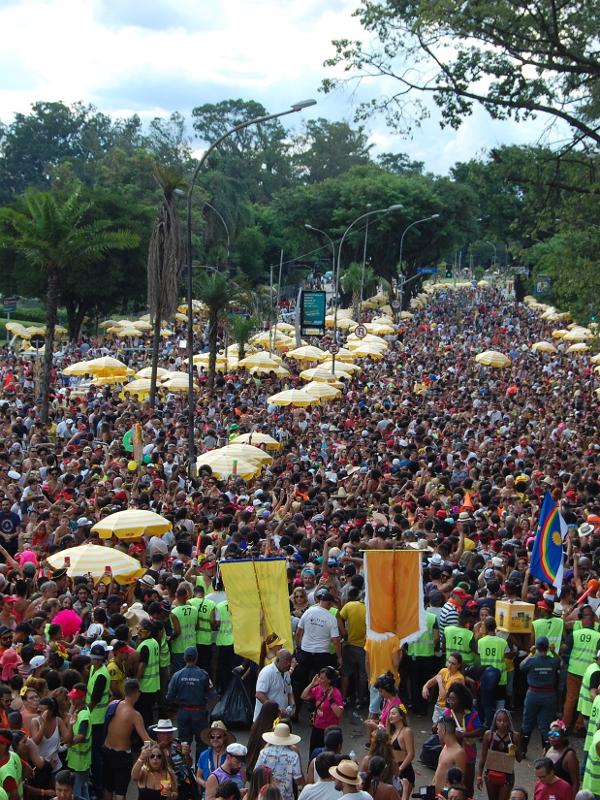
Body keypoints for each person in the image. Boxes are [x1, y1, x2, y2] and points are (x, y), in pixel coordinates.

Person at [293, 590, 342, 712]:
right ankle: (314, 710)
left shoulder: (308, 612)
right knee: (320, 683)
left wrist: (298, 647)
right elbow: (336, 640)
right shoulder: (331, 618)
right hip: (322, 654)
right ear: (330, 603)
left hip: (305, 652)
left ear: (319, 601)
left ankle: (295, 709)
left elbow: (298, 633)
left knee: (299, 682)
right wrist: (339, 656)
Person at [102, 679, 151, 800]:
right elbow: (146, 740)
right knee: (120, 791)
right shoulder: (135, 715)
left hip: (106, 750)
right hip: (121, 755)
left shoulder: (113, 704)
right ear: (137, 693)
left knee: (107, 788)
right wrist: (159, 745)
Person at [166, 646, 212, 751]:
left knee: (184, 745)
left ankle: (184, 766)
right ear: (196, 658)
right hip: (199, 714)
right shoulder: (203, 675)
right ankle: (199, 767)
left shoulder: (177, 675)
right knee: (202, 744)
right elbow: (212, 695)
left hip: (183, 714)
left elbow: (169, 697)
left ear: (184, 658)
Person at [520, 636, 561, 755]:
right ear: (548, 647)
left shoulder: (532, 661)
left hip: (533, 694)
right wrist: (553, 652)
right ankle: (547, 751)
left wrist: (530, 653)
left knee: (527, 722)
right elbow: (561, 662)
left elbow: (521, 666)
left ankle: (522, 750)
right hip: (549, 695)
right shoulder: (553, 661)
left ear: (536, 647)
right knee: (546, 725)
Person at [563, 606, 600, 733]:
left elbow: (564, 648)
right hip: (589, 673)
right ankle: (579, 726)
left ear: (582, 620)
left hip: (573, 671)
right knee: (584, 700)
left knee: (571, 698)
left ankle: (565, 725)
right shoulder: (598, 636)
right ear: (593, 620)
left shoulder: (575, 633)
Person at [444, 682, 483, 796]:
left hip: (468, 753)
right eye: (449, 699)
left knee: (467, 783)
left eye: (454, 699)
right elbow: (440, 728)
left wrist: (465, 734)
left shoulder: (471, 713)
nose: (450, 702)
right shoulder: (447, 713)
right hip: (450, 753)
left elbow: (480, 730)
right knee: (450, 783)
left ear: (461, 699)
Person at [85, 641, 112, 800]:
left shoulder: (101, 674)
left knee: (96, 755)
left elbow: (94, 699)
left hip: (97, 719)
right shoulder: (94, 670)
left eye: (96, 659)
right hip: (93, 717)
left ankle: (99, 788)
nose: (93, 661)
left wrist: (84, 712)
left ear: (101, 660)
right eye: (92, 658)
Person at [477, 710, 521, 800]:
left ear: (509, 722)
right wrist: (479, 775)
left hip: (507, 775)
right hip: (491, 773)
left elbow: (519, 759)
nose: (502, 723)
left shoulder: (514, 736)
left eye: (505, 721)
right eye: (499, 720)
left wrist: (515, 749)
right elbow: (483, 757)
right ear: (495, 721)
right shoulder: (489, 735)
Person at [301, 667, 344, 755]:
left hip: (329, 730)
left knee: (327, 755)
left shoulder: (336, 693)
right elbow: (303, 696)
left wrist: (331, 700)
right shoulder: (318, 689)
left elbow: (339, 713)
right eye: (319, 677)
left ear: (329, 680)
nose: (320, 680)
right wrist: (312, 684)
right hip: (317, 727)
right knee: (313, 753)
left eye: (322, 678)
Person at [255, 724, 304, 800]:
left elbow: (256, 772)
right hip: (286, 796)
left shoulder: (264, 752)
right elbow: (298, 780)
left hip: (266, 795)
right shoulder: (293, 756)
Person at [406, 607, 439, 716]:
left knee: (414, 683)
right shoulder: (432, 618)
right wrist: (431, 647)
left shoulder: (409, 617)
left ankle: (416, 708)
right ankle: (424, 708)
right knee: (426, 683)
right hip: (428, 656)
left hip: (413, 655)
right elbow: (436, 637)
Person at [337, 588, 367, 708]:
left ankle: (343, 698)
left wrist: (344, 632)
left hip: (348, 645)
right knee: (362, 675)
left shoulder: (349, 606)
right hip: (364, 648)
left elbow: (338, 617)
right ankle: (360, 699)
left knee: (346, 674)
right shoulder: (371, 609)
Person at [64, 684, 91, 800]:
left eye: (75, 697)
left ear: (83, 698)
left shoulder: (83, 715)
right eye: (71, 697)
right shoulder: (78, 710)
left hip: (80, 762)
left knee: (77, 791)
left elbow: (79, 737)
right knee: (83, 787)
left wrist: (70, 727)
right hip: (78, 761)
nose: (72, 699)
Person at [422, 653, 465, 723]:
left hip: (449, 708)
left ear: (458, 665)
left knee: (442, 729)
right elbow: (432, 681)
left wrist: (439, 682)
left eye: (453, 664)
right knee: (435, 729)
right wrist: (425, 687)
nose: (450, 665)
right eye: (449, 662)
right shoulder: (444, 671)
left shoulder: (458, 678)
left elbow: (445, 696)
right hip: (438, 706)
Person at [477, 618, 510, 711]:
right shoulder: (503, 642)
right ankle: (499, 721)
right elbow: (507, 654)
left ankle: (488, 722)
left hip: (486, 677)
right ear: (495, 627)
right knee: (500, 703)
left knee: (487, 703)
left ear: (486, 628)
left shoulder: (481, 641)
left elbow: (480, 653)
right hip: (501, 678)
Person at [197, 721, 235, 798]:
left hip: (227, 795)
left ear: (224, 737)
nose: (215, 739)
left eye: (218, 736)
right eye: (212, 736)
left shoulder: (231, 755)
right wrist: (205, 784)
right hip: (208, 794)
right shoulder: (204, 755)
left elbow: (241, 777)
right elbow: (198, 777)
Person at [254, 650, 294, 721]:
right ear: (278, 660)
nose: (289, 664)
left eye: (290, 661)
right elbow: (259, 694)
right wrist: (276, 710)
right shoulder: (267, 672)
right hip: (265, 719)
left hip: (280, 718)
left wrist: (292, 705)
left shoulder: (286, 673)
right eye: (286, 661)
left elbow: (289, 691)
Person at [387, 704, 415, 800]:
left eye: (393, 713)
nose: (390, 716)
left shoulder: (406, 731)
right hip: (394, 770)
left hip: (404, 771)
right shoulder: (393, 732)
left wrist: (400, 769)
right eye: (389, 714)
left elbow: (411, 754)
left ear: (401, 716)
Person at [136, 619, 161, 728]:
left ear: (149, 632)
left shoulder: (145, 645)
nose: (138, 632)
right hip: (154, 684)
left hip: (145, 686)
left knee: (145, 715)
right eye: (138, 629)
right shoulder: (154, 642)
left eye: (141, 630)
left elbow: (142, 665)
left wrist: (136, 680)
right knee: (149, 713)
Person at [543, 721, 579, 793]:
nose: (552, 737)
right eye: (550, 734)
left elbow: (576, 783)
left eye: (556, 734)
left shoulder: (569, 755)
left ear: (564, 737)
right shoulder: (546, 749)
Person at [434, 717, 466, 796]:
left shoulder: (459, 753)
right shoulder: (445, 746)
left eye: (438, 729)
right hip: (435, 794)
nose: (437, 732)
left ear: (444, 730)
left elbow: (460, 781)